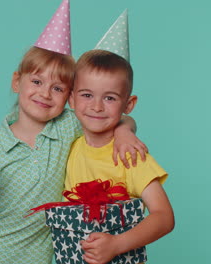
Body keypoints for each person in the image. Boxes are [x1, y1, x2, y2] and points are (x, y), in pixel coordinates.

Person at [0, 2, 146, 264]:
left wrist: (124, 133)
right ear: (17, 81)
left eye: (57, 88)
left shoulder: (70, 126)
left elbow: (117, 117)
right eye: (37, 81)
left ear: (70, 97)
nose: (44, 93)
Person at [65, 49, 175, 264]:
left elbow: (164, 217)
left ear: (128, 105)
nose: (96, 106)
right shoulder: (68, 144)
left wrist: (117, 244)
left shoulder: (130, 155)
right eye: (87, 95)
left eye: (110, 98)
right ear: (71, 98)